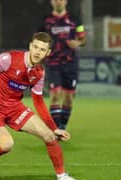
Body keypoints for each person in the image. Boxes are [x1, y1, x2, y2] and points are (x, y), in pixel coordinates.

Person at [0, 32, 80, 180]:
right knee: (7, 144)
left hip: (14, 107)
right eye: (36, 47)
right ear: (30, 46)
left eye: (42, 49)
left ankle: (61, 176)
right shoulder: (8, 59)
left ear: (48, 53)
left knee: (49, 136)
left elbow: (38, 100)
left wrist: (53, 127)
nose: (38, 52)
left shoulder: (39, 72)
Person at [37, 0, 87, 130]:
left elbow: (83, 39)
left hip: (70, 63)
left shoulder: (75, 20)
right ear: (51, 2)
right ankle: (56, 129)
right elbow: (38, 39)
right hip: (53, 63)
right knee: (55, 95)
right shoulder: (45, 21)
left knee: (68, 98)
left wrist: (78, 43)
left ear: (66, 1)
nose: (58, 2)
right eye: (55, 0)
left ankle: (63, 127)